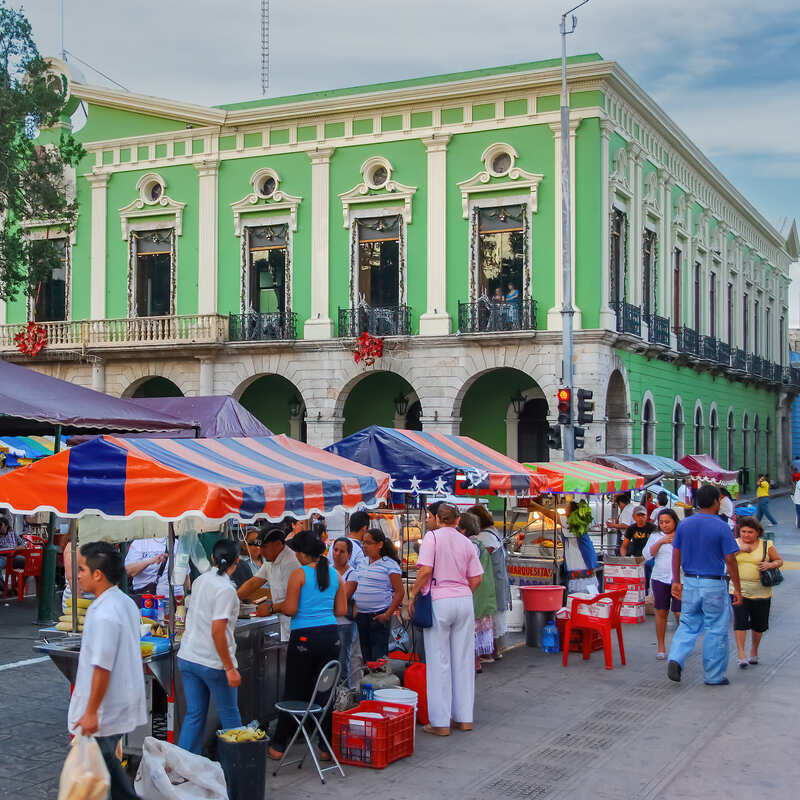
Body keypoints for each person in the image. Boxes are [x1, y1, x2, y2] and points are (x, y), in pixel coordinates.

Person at [68, 542, 146, 800]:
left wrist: (91, 712)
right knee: (107, 771)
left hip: (106, 709)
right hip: (117, 704)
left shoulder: (104, 614)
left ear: (97, 574)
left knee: (104, 774)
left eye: (81, 570)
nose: (77, 575)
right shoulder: (123, 602)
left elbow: (102, 667)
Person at [269, 532, 346, 762]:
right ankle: (325, 747)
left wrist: (275, 607)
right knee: (324, 693)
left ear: (302, 554)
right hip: (331, 636)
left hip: (304, 638)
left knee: (295, 691)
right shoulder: (334, 574)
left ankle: (279, 746)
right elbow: (341, 611)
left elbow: (291, 609)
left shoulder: (299, 574)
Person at [408, 503, 483, 736]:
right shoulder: (466, 541)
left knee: (439, 661)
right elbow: (477, 577)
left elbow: (425, 571)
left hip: (440, 600)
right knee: (462, 659)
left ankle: (440, 722)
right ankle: (464, 718)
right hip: (464, 600)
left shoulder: (432, 538)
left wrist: (412, 595)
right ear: (457, 520)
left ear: (438, 519)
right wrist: (462, 591)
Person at [666, 484, 742, 686]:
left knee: (688, 624)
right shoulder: (721, 526)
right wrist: (737, 589)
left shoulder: (685, 524)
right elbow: (731, 560)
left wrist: (676, 580)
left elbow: (676, 553)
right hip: (713, 583)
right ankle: (714, 675)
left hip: (690, 581)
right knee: (716, 629)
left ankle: (675, 657)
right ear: (717, 502)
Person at [177, 540, 243, 754]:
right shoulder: (226, 589)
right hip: (212, 663)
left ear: (213, 559)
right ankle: (238, 771)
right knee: (230, 716)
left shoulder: (200, 581)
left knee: (194, 715)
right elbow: (217, 630)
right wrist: (229, 668)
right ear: (237, 561)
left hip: (188, 657)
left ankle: (181, 770)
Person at [729, 517, 783, 668]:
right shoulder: (735, 544)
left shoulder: (767, 545)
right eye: (743, 531)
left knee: (759, 625)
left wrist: (770, 564)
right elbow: (725, 560)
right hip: (737, 589)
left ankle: (754, 650)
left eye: (750, 532)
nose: (746, 535)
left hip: (761, 591)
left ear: (757, 532)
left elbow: (779, 561)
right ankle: (741, 654)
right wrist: (739, 550)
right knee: (740, 621)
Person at [349, 528, 404, 662]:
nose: (365, 546)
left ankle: (378, 682)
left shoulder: (389, 565)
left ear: (379, 544)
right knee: (365, 654)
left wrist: (387, 614)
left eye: (368, 543)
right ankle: (368, 680)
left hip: (378, 615)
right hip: (361, 616)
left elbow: (400, 591)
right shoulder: (362, 562)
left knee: (378, 656)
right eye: (363, 543)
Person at [237, 527, 300, 642]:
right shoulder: (270, 561)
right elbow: (253, 583)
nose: (261, 551)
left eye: (264, 547)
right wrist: (233, 598)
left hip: (296, 626)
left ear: (278, 544)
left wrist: (271, 609)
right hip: (284, 625)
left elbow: (293, 603)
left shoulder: (291, 564)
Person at [469, 504, 511, 659]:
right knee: (493, 617)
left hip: (491, 581)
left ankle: (490, 651)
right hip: (496, 579)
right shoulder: (492, 532)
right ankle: (494, 650)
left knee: (489, 618)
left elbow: (479, 557)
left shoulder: (484, 537)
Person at [458, 512, 496, 672]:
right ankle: (476, 662)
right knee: (476, 628)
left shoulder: (470, 546)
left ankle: (473, 663)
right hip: (483, 589)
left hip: (475, 591)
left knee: (470, 629)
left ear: (463, 530)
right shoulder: (478, 543)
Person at [642, 509, 681, 660]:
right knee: (661, 612)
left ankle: (680, 644)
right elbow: (647, 554)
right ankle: (661, 647)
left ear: (675, 521)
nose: (664, 525)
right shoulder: (655, 536)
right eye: (661, 522)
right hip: (659, 577)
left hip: (679, 579)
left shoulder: (681, 535)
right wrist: (661, 541)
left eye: (667, 522)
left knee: (679, 613)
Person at [330, 537, 358, 686]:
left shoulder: (352, 574)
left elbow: (342, 597)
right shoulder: (327, 571)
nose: (338, 554)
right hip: (328, 623)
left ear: (349, 555)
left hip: (344, 624)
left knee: (341, 660)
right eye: (335, 550)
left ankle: (343, 694)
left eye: (342, 551)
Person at [124, 536, 184, 606]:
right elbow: (127, 571)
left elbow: (185, 576)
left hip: (176, 599)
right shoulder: (139, 543)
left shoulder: (176, 543)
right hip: (148, 602)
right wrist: (150, 561)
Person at [61, 539, 95, 612]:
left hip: (95, 602)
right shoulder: (73, 546)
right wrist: (79, 606)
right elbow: (72, 578)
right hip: (80, 601)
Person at [0, 514, 26, 582]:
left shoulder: (13, 534)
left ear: (6, 526)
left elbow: (24, 544)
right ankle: (1, 583)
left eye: (1, 525)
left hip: (15, 557)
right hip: (3, 557)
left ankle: (18, 584)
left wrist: (15, 549)